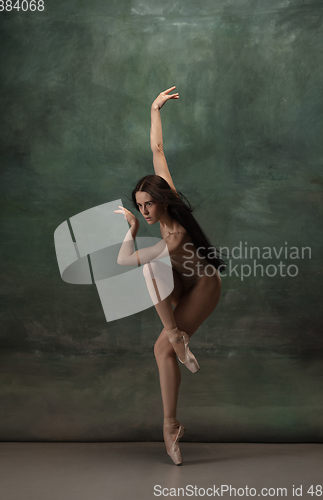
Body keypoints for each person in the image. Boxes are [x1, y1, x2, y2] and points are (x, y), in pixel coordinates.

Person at [114, 86, 226, 465]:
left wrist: (130, 237)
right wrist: (154, 109)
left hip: (204, 287)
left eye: (149, 204)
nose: (145, 211)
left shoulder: (175, 236)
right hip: (181, 283)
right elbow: (158, 152)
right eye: (139, 206)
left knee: (160, 346)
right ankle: (176, 340)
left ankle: (170, 425)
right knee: (153, 270)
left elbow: (127, 260)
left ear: (163, 200)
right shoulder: (162, 211)